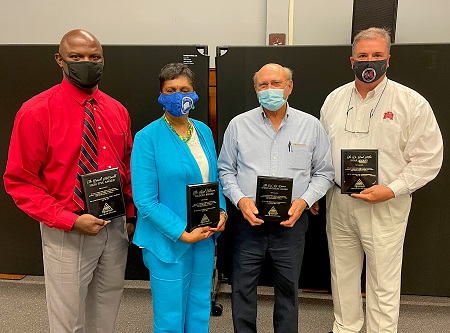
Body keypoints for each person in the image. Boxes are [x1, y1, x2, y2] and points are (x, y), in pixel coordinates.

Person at [3, 29, 135, 332]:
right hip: (67, 230)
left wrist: (130, 214)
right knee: (67, 320)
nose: (86, 62)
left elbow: (126, 167)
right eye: (76, 57)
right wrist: (69, 220)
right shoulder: (36, 112)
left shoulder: (117, 111)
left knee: (105, 310)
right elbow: (19, 181)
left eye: (94, 57)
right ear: (59, 60)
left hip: (114, 228)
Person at [320, 27, 443, 333]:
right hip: (339, 200)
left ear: (388, 59)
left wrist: (392, 189)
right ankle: (345, 327)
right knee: (342, 274)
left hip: (386, 203)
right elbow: (321, 151)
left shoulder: (410, 103)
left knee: (384, 280)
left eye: (376, 55)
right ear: (352, 60)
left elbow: (429, 158)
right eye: (362, 55)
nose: (369, 61)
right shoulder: (334, 100)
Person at [218, 63, 334, 333]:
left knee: (288, 291)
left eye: (276, 83)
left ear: (289, 87)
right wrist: (240, 200)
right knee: (242, 290)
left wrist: (305, 201)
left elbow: (324, 173)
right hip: (248, 223)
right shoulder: (239, 125)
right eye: (263, 85)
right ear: (256, 89)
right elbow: (225, 170)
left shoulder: (311, 126)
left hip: (291, 225)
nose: (270, 89)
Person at [131, 62, 227, 333]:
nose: (178, 95)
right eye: (171, 90)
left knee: (199, 309)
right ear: (161, 95)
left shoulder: (203, 132)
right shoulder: (147, 137)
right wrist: (182, 233)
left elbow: (213, 181)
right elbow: (145, 200)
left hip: (204, 236)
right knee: (170, 318)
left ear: (194, 93)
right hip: (168, 242)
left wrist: (221, 212)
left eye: (184, 89)